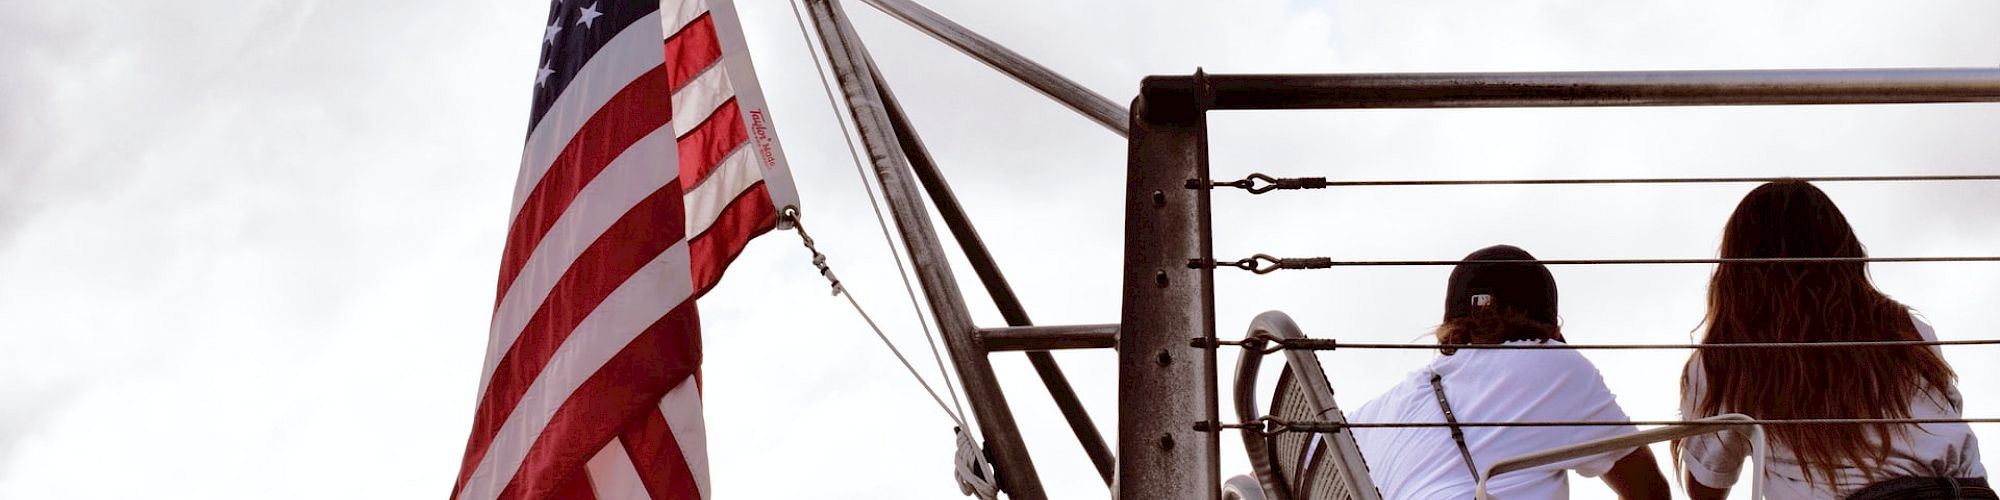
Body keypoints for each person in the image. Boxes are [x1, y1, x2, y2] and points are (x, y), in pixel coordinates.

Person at [1676, 180, 1990, 499]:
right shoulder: (1903, 326)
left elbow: (1707, 485)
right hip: (1969, 493)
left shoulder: (1729, 357)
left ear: (1737, 269)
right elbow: (1950, 410)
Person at [1350, 244, 1670, 500]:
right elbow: (1648, 491)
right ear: (1551, 329)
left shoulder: (1371, 416)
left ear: (1449, 328)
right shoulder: (1553, 366)